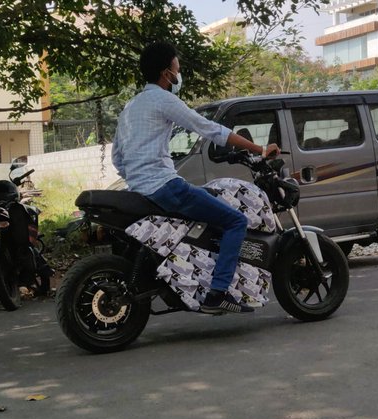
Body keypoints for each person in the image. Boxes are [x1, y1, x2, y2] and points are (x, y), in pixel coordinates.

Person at [112, 41, 279, 314]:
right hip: (166, 187)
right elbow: (210, 129)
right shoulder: (164, 100)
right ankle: (218, 293)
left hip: (139, 189)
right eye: (177, 68)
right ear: (167, 73)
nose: (179, 74)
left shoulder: (131, 107)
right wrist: (260, 148)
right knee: (235, 220)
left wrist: (138, 178)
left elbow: (118, 158)